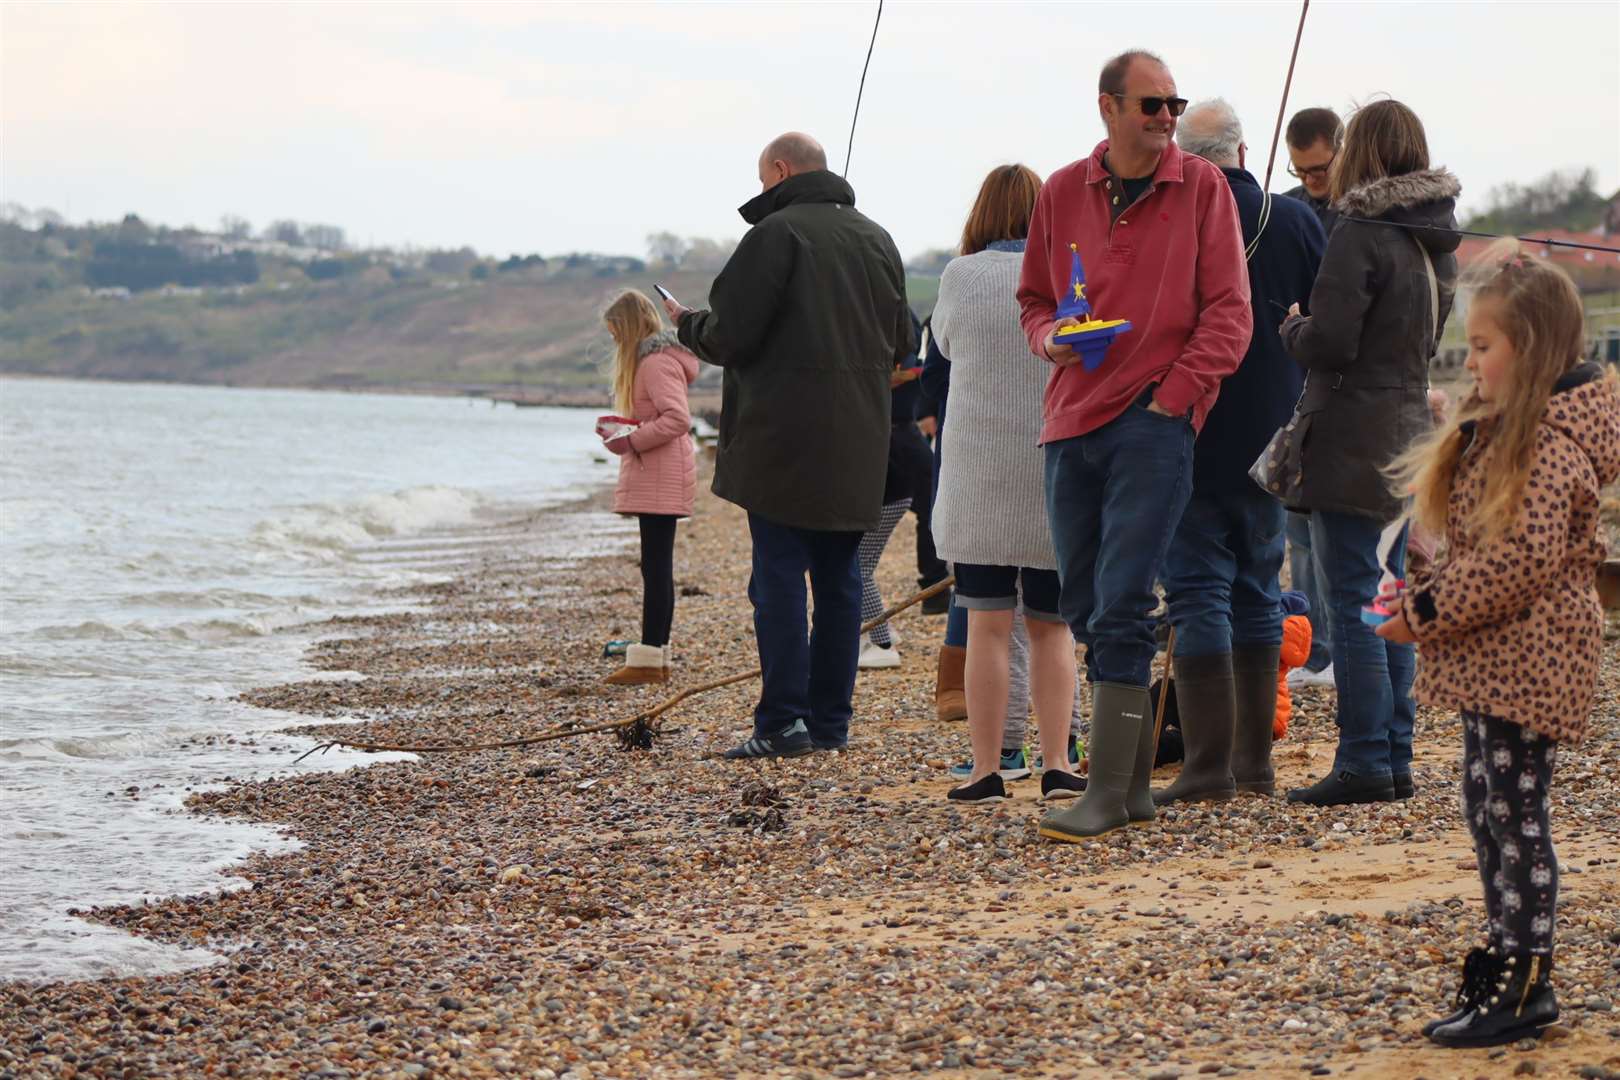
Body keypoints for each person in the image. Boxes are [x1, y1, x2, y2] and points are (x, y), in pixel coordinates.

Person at [1376, 244, 1620, 1047]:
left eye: (1484, 348)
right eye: (1471, 346)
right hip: (1502, 659)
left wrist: (1431, 609)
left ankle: (1526, 976)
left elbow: (1519, 559)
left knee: (1514, 814)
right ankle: (1508, 958)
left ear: (1534, 351)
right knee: (1488, 806)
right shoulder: (1513, 429)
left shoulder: (1551, 446)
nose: (1470, 361)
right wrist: (1421, 584)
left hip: (1535, 657)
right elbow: (1483, 538)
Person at [1017, 50, 1251, 840]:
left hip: (1153, 428)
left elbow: (1230, 314)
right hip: (1068, 420)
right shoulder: (1057, 191)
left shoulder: (1205, 188)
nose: (1165, 117)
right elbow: (1034, 301)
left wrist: (1171, 404)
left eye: (1173, 105)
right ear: (1108, 107)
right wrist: (1051, 339)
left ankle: (1110, 794)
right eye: (1151, 104)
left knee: (1120, 604)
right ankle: (1131, 787)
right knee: (1083, 602)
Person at [663, 132, 914, 759]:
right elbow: (901, 342)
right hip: (858, 440)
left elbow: (730, 336)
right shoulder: (878, 238)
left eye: (762, 179)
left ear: (779, 170)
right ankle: (829, 726)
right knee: (838, 581)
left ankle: (781, 723)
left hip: (781, 442)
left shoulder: (773, 235)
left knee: (777, 580)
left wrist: (686, 322)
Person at [1278, 98, 1460, 805]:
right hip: (1411, 432)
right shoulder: (1432, 238)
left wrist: (1294, 327)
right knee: (1391, 596)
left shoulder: (1358, 231)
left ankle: (1362, 763)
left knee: (1354, 597)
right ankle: (1395, 757)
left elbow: (1332, 342)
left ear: (1362, 153)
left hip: (1353, 434)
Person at [1152, 99, 1325, 804]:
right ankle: (1253, 768)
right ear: (1246, 153)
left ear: (1186, 160)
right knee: (1258, 587)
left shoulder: (1174, 218)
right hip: (1270, 433)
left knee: (1196, 591)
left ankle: (1206, 770)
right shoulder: (1292, 219)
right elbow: (1321, 319)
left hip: (1188, 431)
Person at [931, 164, 1085, 804]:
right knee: (1053, 628)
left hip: (978, 477)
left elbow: (941, 344)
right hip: (1052, 469)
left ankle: (986, 770)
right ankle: (1057, 763)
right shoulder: (1066, 275)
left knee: (988, 626)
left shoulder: (961, 277)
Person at [597, 290, 700, 685]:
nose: (614, 344)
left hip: (661, 471)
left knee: (656, 568)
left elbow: (677, 419)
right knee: (655, 567)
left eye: (615, 334)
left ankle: (650, 660)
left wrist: (631, 439)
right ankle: (653, 656)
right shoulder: (654, 362)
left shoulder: (655, 364)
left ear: (630, 328)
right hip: (660, 470)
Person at [1281, 105, 1345, 687]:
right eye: (1301, 172)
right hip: (1295, 380)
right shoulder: (1291, 210)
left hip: (1341, 384)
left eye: (1320, 169)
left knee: (1333, 532)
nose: (1311, 182)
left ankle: (1333, 647)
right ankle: (1311, 646)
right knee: (1297, 530)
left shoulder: (1363, 213)